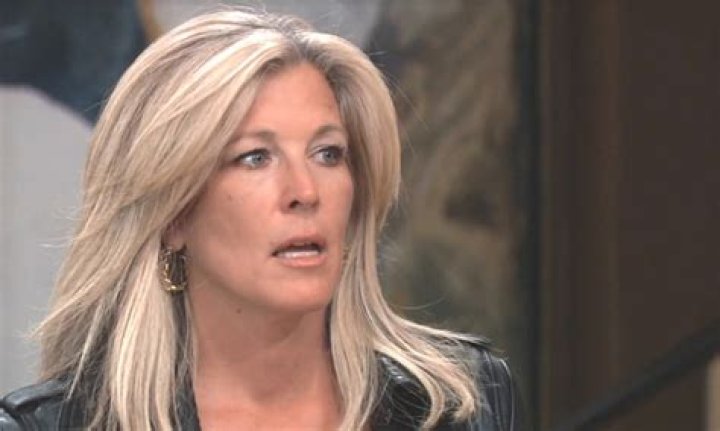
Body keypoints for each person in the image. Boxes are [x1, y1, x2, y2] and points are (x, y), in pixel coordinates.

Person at [0, 9, 520, 431]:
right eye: (255, 158)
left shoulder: (463, 404)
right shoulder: (55, 426)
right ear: (173, 213)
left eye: (328, 154)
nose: (305, 192)